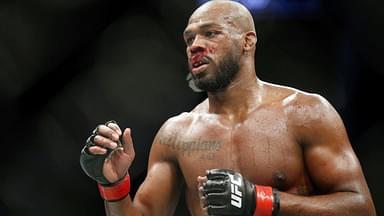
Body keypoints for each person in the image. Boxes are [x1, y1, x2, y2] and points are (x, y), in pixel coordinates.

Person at [80, 0, 376, 215]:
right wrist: (114, 185)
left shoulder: (306, 113)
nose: (195, 45)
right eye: (189, 38)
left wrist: (261, 201)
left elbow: (360, 208)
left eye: (211, 33)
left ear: (247, 42)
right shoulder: (177, 133)